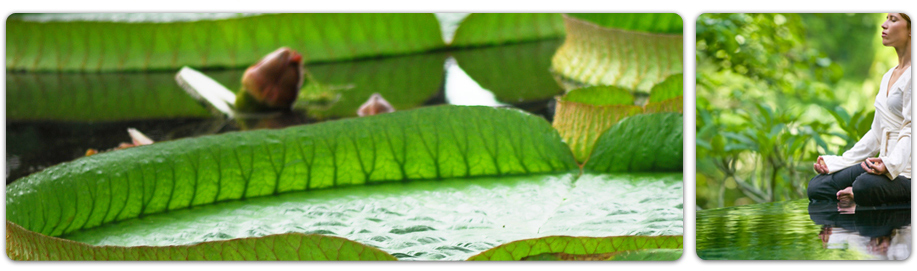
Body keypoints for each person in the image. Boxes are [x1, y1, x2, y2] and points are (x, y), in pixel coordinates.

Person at [807, 13, 912, 206]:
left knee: (865, 185)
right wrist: (837, 162)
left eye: (893, 20)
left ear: (911, 29)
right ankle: (858, 196)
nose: (884, 25)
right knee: (818, 186)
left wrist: (890, 165)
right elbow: (876, 133)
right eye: (886, 18)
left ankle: (858, 196)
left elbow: (910, 130)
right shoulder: (888, 76)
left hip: (907, 173)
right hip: (883, 166)